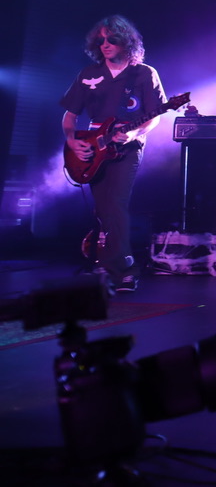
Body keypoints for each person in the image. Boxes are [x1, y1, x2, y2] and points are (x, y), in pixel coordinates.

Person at [61, 15, 168, 293]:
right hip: (92, 148)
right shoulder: (88, 74)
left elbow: (154, 115)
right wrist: (72, 141)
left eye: (111, 39)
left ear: (126, 42)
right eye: (101, 40)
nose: (105, 44)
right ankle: (115, 264)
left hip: (127, 150)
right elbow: (69, 116)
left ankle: (123, 269)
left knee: (116, 203)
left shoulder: (144, 74)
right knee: (102, 208)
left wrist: (133, 133)